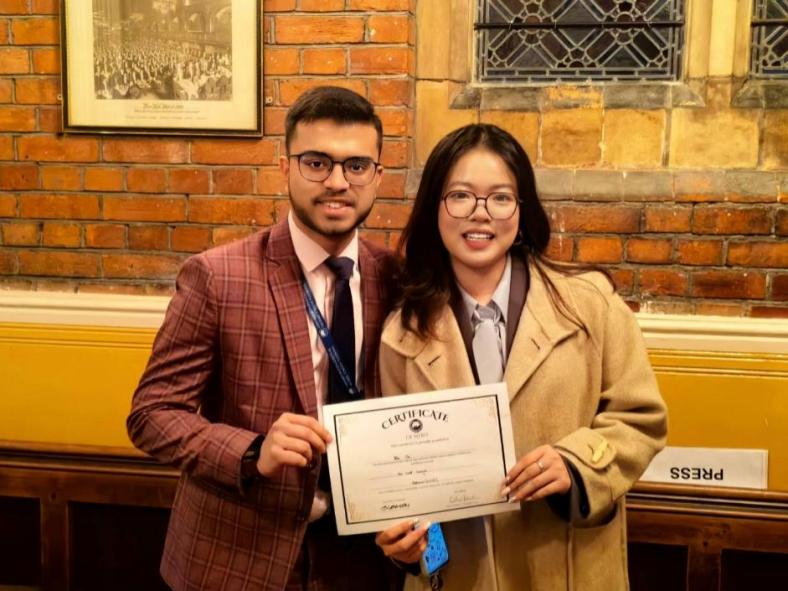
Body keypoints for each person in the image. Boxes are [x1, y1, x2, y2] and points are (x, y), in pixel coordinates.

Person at [127, 86, 402, 591]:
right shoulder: (217, 276)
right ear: (284, 168)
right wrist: (252, 451)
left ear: (377, 175)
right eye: (316, 163)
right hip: (238, 560)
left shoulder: (399, 279)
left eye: (356, 165)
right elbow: (152, 414)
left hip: (362, 562)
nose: (338, 182)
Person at [374, 124, 667, 590]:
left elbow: (641, 419)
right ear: (434, 207)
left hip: (568, 568)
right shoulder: (402, 335)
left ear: (521, 208)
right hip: (461, 578)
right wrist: (415, 551)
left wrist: (576, 465)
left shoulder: (590, 305)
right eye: (460, 196)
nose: (480, 213)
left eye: (500, 198)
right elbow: (409, 486)